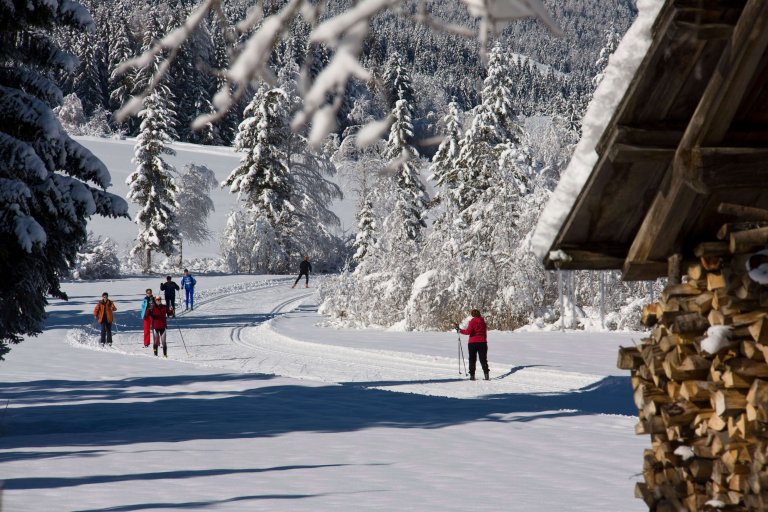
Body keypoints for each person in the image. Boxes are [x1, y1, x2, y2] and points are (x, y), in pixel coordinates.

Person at [458, 309, 490, 381]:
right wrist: (484, 340)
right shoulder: (483, 322)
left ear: (472, 315)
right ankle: (486, 375)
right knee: (483, 359)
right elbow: (485, 333)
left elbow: (467, 332)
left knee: (472, 359)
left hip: (472, 342)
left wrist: (460, 331)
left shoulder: (472, 321)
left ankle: (472, 376)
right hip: (483, 342)